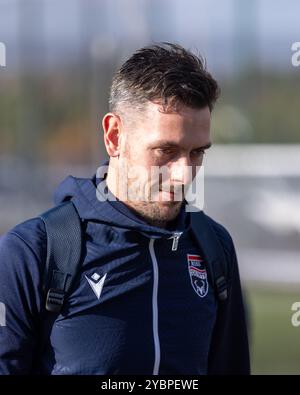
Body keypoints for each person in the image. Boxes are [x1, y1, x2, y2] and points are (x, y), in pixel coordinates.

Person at [0, 43, 250, 375]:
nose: (183, 173)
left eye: (196, 153)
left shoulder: (214, 247)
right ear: (115, 135)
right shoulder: (33, 251)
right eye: (166, 150)